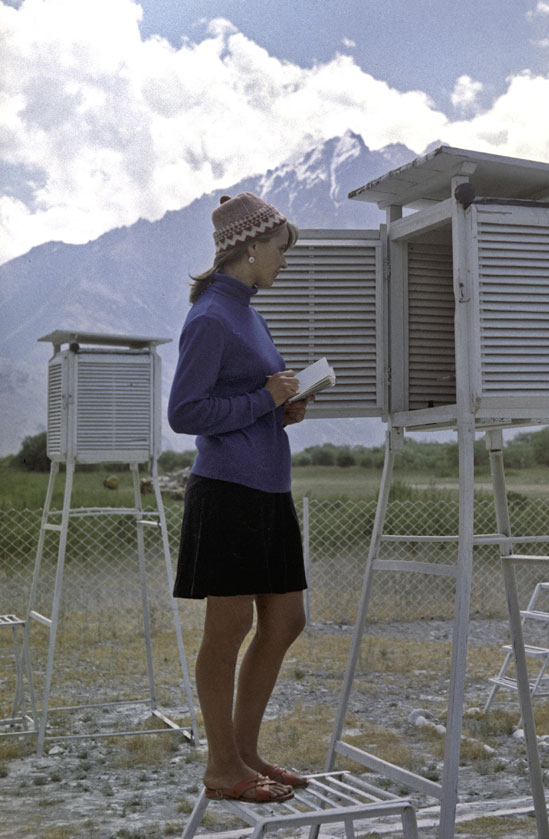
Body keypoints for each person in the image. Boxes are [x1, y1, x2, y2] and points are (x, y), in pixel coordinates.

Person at [168, 192, 313, 804]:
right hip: (227, 492)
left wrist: (282, 409)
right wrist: (263, 399)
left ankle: (246, 750)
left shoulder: (248, 311)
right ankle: (222, 766)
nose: (284, 262)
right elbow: (185, 413)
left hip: (268, 489)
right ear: (249, 246)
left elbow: (250, 398)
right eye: (280, 251)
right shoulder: (211, 317)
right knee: (225, 631)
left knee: (286, 620)